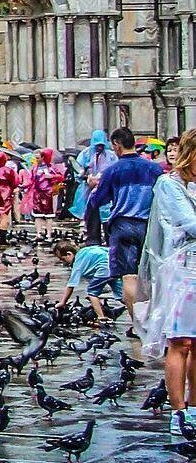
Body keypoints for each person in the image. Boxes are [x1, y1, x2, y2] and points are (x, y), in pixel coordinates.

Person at [138, 129, 196, 432]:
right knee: (181, 341)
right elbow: (190, 224)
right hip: (186, 271)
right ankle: (179, 410)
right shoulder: (170, 184)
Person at [89, 127, 162, 326]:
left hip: (122, 226)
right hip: (149, 226)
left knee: (129, 276)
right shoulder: (154, 169)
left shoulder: (112, 170)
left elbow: (97, 200)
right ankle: (151, 320)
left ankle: (138, 324)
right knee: (147, 274)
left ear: (116, 145)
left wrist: (92, 188)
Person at [53, 240, 117, 322]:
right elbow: (107, 250)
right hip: (114, 265)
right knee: (121, 295)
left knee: (92, 293)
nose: (63, 262)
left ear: (69, 254)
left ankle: (101, 317)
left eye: (63, 259)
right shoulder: (86, 251)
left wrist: (63, 302)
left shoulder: (78, 262)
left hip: (103, 268)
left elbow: (71, 285)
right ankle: (134, 310)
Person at [74, 129, 117, 244]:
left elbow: (115, 170)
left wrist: (103, 179)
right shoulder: (85, 154)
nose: (99, 148)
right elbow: (78, 170)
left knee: (107, 217)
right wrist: (86, 177)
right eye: (97, 145)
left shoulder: (111, 156)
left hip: (107, 191)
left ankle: (109, 241)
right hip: (89, 190)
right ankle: (93, 240)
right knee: (92, 217)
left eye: (101, 145)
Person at [29, 149, 65, 242]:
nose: (37, 160)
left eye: (38, 158)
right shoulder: (34, 168)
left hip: (49, 193)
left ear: (43, 157)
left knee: (49, 215)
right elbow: (31, 179)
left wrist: (51, 177)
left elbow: (61, 177)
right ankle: (39, 233)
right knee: (37, 215)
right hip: (37, 193)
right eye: (36, 158)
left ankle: (48, 234)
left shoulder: (51, 168)